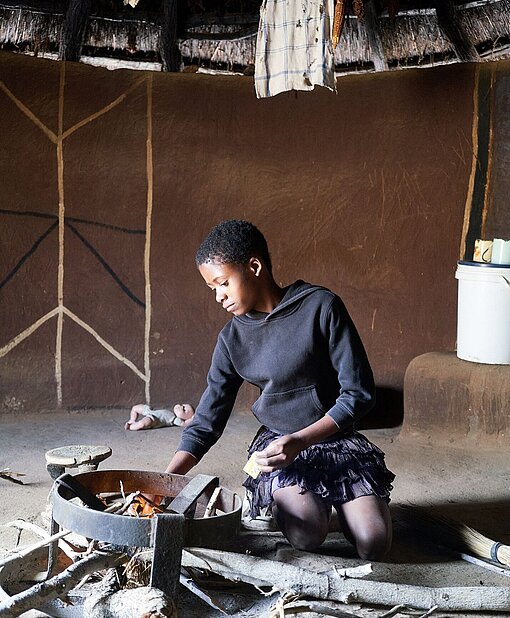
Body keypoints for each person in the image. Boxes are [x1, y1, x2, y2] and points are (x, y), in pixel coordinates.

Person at [164, 220, 395, 560]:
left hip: (336, 439)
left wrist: (302, 440)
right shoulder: (232, 339)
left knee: (373, 544)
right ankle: (300, 503)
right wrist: (163, 482)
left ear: (254, 267)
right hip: (279, 443)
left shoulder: (321, 306)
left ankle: (342, 504)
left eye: (223, 283)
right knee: (307, 536)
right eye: (212, 288)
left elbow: (358, 394)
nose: (218, 296)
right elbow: (206, 422)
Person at [125, 403, 195, 430]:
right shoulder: (172, 412)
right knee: (135, 408)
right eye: (182, 405)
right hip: (151, 411)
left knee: (143, 423)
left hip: (154, 419)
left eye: (184, 409)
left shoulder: (175, 419)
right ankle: (132, 420)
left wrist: (193, 418)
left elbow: (185, 424)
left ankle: (131, 427)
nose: (180, 406)